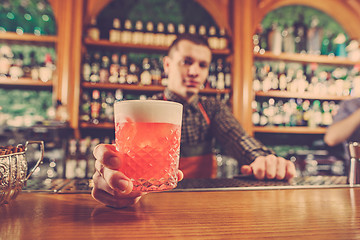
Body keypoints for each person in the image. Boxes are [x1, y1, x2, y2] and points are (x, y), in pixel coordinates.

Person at [92, 33, 296, 208]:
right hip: (150, 205)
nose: (194, 71)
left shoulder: (212, 108)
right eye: (186, 62)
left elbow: (239, 140)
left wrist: (263, 159)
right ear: (167, 65)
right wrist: (116, 180)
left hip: (201, 206)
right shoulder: (146, 110)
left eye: (203, 65)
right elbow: (125, 159)